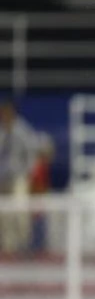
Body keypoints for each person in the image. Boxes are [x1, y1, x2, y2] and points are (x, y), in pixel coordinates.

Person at [0, 99, 40, 255]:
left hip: (18, 177)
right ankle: (7, 245)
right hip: (2, 178)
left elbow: (31, 153)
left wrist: (27, 173)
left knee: (20, 209)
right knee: (4, 213)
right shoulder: (1, 131)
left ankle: (24, 244)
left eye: (7, 112)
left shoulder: (22, 130)